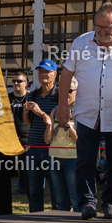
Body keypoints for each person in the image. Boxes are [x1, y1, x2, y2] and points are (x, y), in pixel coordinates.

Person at [59, 2, 112, 219]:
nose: (102, 31)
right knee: (86, 161)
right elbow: (67, 75)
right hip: (88, 112)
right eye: (98, 26)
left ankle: (110, 204)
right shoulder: (81, 42)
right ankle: (87, 202)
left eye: (107, 27)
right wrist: (62, 107)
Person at [23, 59, 60, 212]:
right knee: (34, 192)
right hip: (34, 149)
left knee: (56, 192)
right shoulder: (33, 95)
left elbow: (58, 122)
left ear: (55, 74)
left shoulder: (60, 95)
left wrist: (40, 112)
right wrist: (27, 113)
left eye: (46, 71)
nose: (42, 74)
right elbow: (28, 122)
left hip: (53, 150)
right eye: (40, 71)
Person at [45, 76, 79, 211]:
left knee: (75, 199)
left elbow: (79, 140)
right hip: (54, 156)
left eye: (69, 91)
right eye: (63, 91)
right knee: (59, 200)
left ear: (77, 92)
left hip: (72, 158)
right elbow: (47, 140)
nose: (66, 94)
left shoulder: (80, 111)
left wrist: (67, 125)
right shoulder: (55, 110)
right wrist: (49, 125)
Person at [8, 71, 30, 194]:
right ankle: (20, 185)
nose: (16, 83)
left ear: (26, 83)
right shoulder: (8, 98)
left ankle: (25, 187)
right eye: (14, 81)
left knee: (26, 166)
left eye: (19, 81)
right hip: (11, 137)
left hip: (26, 137)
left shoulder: (30, 97)